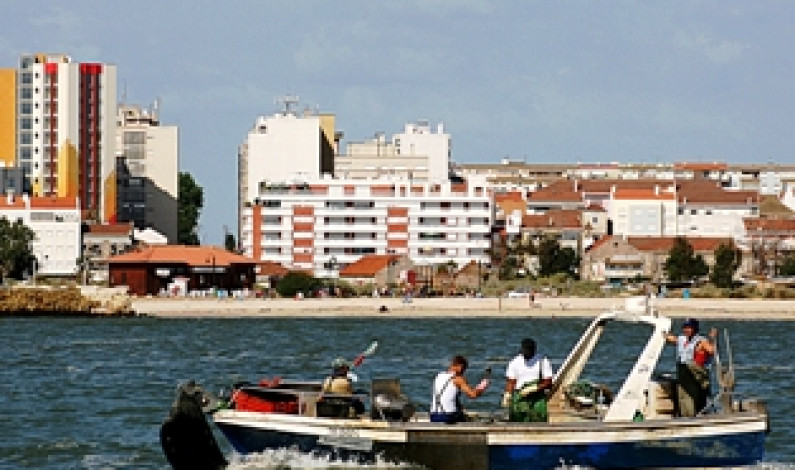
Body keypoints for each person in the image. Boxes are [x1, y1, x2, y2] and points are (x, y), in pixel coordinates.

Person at [664, 318, 717, 417]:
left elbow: (711, 350)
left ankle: (696, 413)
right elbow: (672, 339)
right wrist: (663, 333)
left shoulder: (701, 341)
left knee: (695, 394)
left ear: (695, 329)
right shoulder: (681, 339)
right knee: (683, 395)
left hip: (696, 372)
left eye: (689, 328)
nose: (686, 330)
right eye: (685, 328)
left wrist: (712, 338)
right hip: (683, 372)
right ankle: (685, 414)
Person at [502, 338, 554, 422]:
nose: (526, 353)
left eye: (529, 351)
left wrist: (533, 388)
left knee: (538, 417)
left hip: (537, 396)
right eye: (525, 350)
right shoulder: (514, 362)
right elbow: (511, 381)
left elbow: (548, 382)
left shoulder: (542, 361)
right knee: (517, 417)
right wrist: (507, 394)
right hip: (520, 395)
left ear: (534, 350)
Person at [430, 355, 490, 424]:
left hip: (433, 416)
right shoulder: (458, 379)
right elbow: (473, 395)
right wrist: (483, 385)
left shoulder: (439, 376)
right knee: (467, 418)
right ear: (460, 367)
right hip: (447, 417)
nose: (463, 372)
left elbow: (448, 396)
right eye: (464, 369)